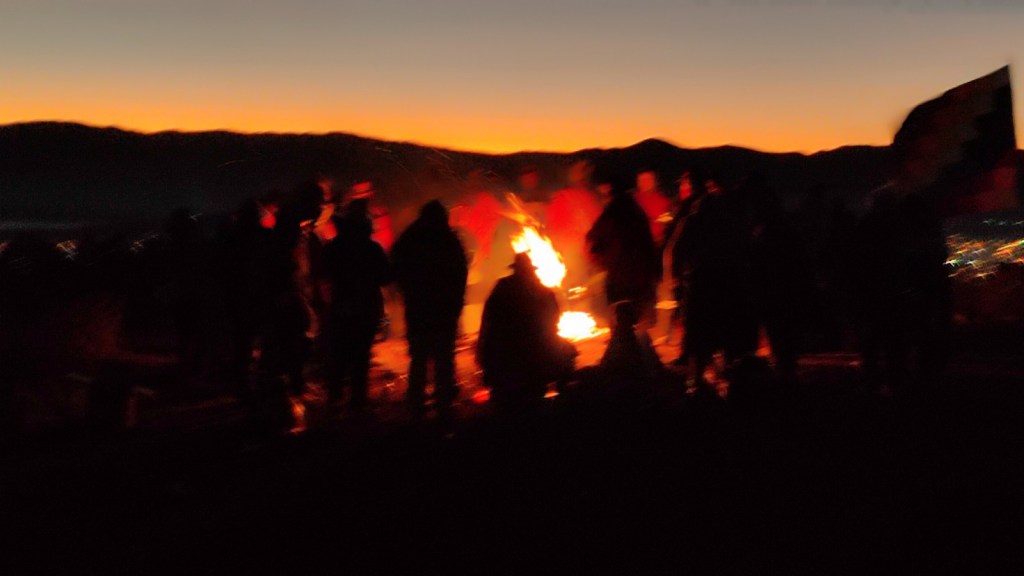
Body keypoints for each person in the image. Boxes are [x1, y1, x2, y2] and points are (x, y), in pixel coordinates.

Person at [391, 200, 469, 412]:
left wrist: (407, 293)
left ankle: (417, 404)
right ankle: (443, 405)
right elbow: (460, 273)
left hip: (420, 309)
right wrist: (456, 303)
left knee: (420, 357)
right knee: (443, 357)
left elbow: (396, 266)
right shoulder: (447, 240)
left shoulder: (411, 240)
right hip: (442, 310)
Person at [477, 253, 576, 412]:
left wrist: (483, 355)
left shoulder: (501, 288)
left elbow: (488, 323)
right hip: (531, 358)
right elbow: (553, 321)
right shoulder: (541, 291)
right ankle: (563, 406)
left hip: (503, 357)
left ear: (515, 270)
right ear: (530, 271)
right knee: (567, 352)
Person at [320, 200, 392, 409]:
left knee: (339, 353)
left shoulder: (333, 248)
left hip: (341, 307)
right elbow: (386, 277)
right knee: (361, 356)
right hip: (366, 309)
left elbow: (323, 275)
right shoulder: (372, 249)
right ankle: (357, 401)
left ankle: (334, 398)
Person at [585, 181, 660, 328]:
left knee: (620, 310)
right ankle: (639, 341)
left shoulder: (612, 212)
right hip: (641, 272)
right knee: (639, 312)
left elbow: (594, 236)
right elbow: (648, 240)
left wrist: (598, 257)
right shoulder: (638, 212)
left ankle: (622, 341)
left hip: (620, 271)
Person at [633, 170, 672, 247]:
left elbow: (666, 223)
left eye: (648, 180)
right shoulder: (632, 201)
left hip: (656, 244)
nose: (645, 183)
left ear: (655, 181)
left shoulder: (664, 202)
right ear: (637, 182)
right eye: (642, 180)